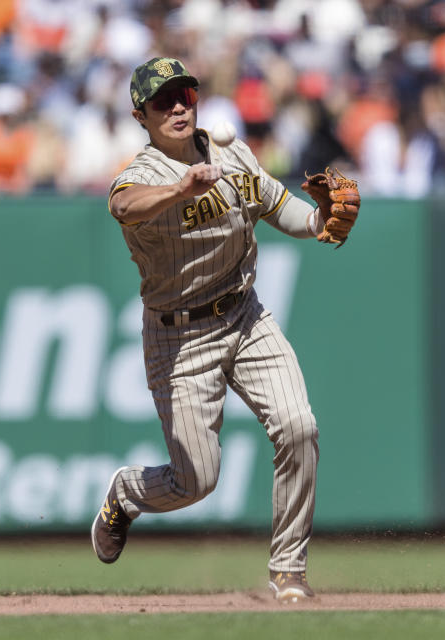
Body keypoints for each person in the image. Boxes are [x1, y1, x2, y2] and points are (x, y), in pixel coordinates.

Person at [95, 57, 357, 603]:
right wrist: (180, 189)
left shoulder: (231, 150)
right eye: (161, 101)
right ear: (140, 115)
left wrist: (317, 221)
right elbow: (123, 205)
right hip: (180, 337)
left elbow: (277, 204)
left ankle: (288, 570)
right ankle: (126, 492)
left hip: (245, 314)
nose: (176, 106)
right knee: (197, 481)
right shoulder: (144, 173)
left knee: (299, 426)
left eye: (184, 94)